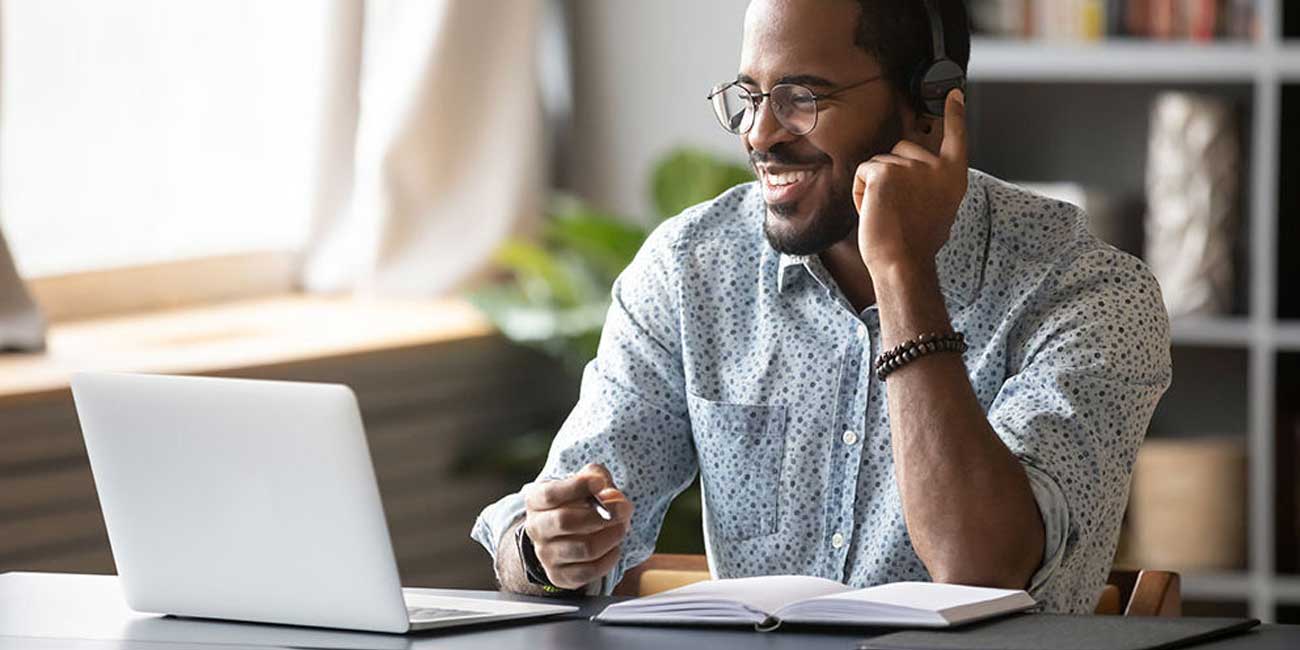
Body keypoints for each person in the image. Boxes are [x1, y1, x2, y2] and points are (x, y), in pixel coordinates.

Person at [471, 0, 1171, 615]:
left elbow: (981, 569)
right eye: (750, 95)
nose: (760, 134)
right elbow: (555, 520)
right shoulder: (691, 270)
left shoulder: (1086, 293)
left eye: (801, 97)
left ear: (930, 108)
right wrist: (544, 549)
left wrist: (902, 271)